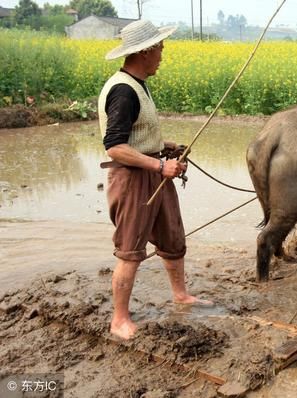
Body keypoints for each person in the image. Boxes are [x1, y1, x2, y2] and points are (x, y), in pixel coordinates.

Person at [98, 20, 210, 340]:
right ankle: (119, 319)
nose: (162, 53)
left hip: (152, 173)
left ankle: (180, 294)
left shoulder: (139, 83)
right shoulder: (123, 90)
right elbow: (116, 147)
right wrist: (160, 166)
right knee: (130, 249)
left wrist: (167, 150)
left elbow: (137, 137)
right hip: (134, 180)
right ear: (144, 52)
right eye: (159, 48)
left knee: (173, 239)